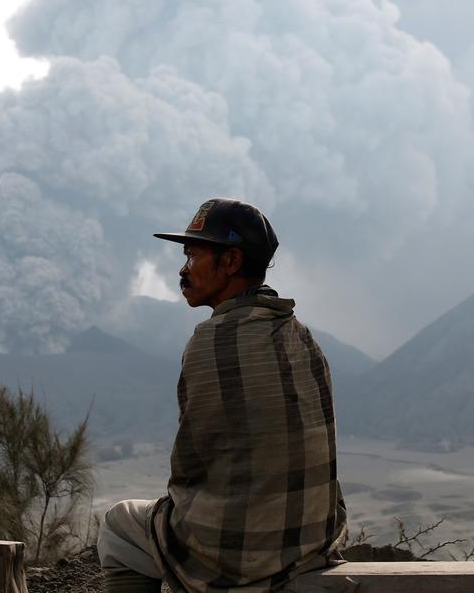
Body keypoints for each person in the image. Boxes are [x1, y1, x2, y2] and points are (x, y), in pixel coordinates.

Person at [99, 198, 348, 593]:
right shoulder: (303, 337)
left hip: (238, 556)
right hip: (311, 542)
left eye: (193, 255)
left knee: (118, 523)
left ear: (230, 262)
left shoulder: (210, 342)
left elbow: (190, 468)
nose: (183, 270)